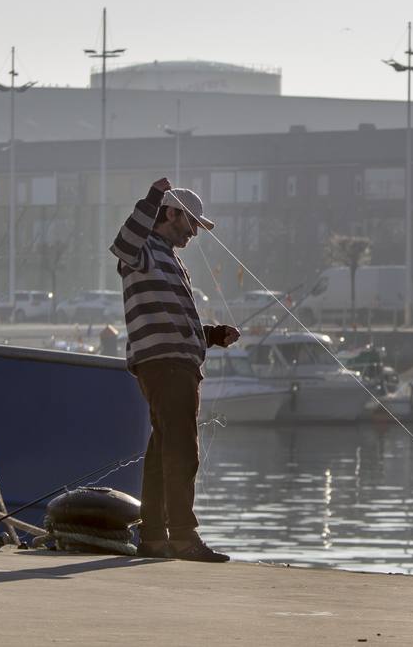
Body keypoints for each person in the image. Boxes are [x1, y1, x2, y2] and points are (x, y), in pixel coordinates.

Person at [111, 177, 239, 562]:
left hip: (172, 361)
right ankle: (184, 536)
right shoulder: (144, 249)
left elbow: (171, 318)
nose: (195, 234)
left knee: (162, 450)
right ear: (171, 213)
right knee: (183, 449)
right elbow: (124, 242)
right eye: (192, 224)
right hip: (166, 364)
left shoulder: (169, 259)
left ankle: (152, 537)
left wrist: (212, 335)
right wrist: (150, 196)